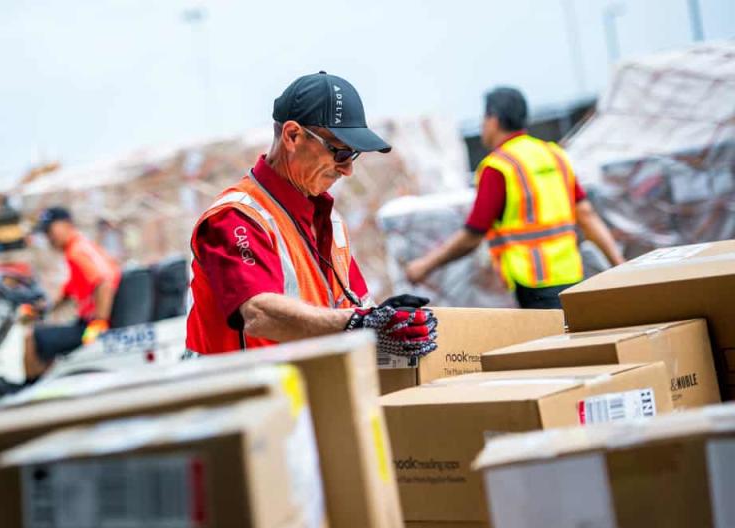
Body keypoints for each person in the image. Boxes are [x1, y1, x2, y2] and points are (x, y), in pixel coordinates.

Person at [186, 71, 438, 361]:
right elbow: (258, 313)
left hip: (304, 394)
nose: (347, 169)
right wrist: (361, 324)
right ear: (292, 135)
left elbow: (349, 309)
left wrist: (386, 319)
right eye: (341, 152)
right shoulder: (235, 217)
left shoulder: (329, 221)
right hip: (242, 401)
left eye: (353, 156)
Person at [405, 87, 625, 309]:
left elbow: (473, 234)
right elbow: (586, 214)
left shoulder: (498, 167)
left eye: (484, 118)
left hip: (533, 282)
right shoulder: (554, 154)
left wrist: (425, 265)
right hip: (571, 273)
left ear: (494, 119)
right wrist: (619, 264)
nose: (482, 126)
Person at [24, 206, 121, 380]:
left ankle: (31, 385)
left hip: (90, 326)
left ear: (67, 224)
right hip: (87, 323)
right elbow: (67, 292)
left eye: (50, 230)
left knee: (32, 336)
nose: (48, 237)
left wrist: (99, 323)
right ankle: (47, 380)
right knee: (49, 333)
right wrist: (43, 308)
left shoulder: (77, 252)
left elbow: (104, 283)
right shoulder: (81, 246)